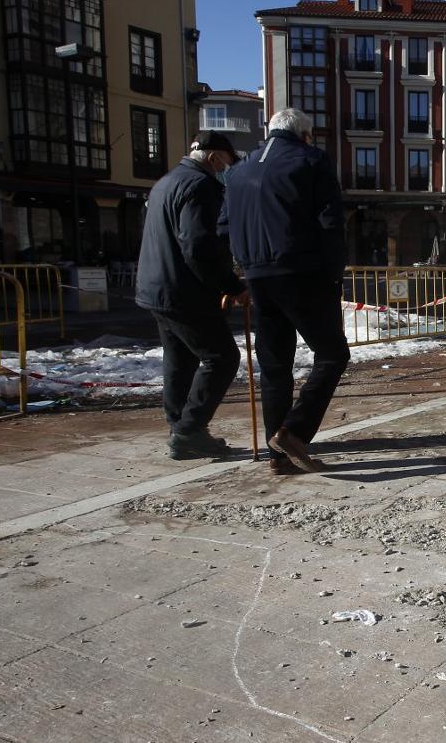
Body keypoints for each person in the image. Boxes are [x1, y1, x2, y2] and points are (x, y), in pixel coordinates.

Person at [219, 108, 349, 475]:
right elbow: (330, 223)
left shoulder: (237, 171)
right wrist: (332, 275)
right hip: (301, 272)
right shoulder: (310, 161)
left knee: (275, 366)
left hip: (257, 276)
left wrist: (242, 269)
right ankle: (294, 432)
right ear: (304, 135)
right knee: (332, 354)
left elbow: (223, 227)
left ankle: (279, 456)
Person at [136, 131, 246, 460]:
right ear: (214, 158)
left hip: (158, 288)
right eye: (227, 162)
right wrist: (232, 285)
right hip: (185, 290)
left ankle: (179, 427)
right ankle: (189, 430)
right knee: (222, 358)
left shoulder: (166, 182)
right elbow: (198, 246)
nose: (228, 169)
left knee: (180, 361)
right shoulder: (200, 186)